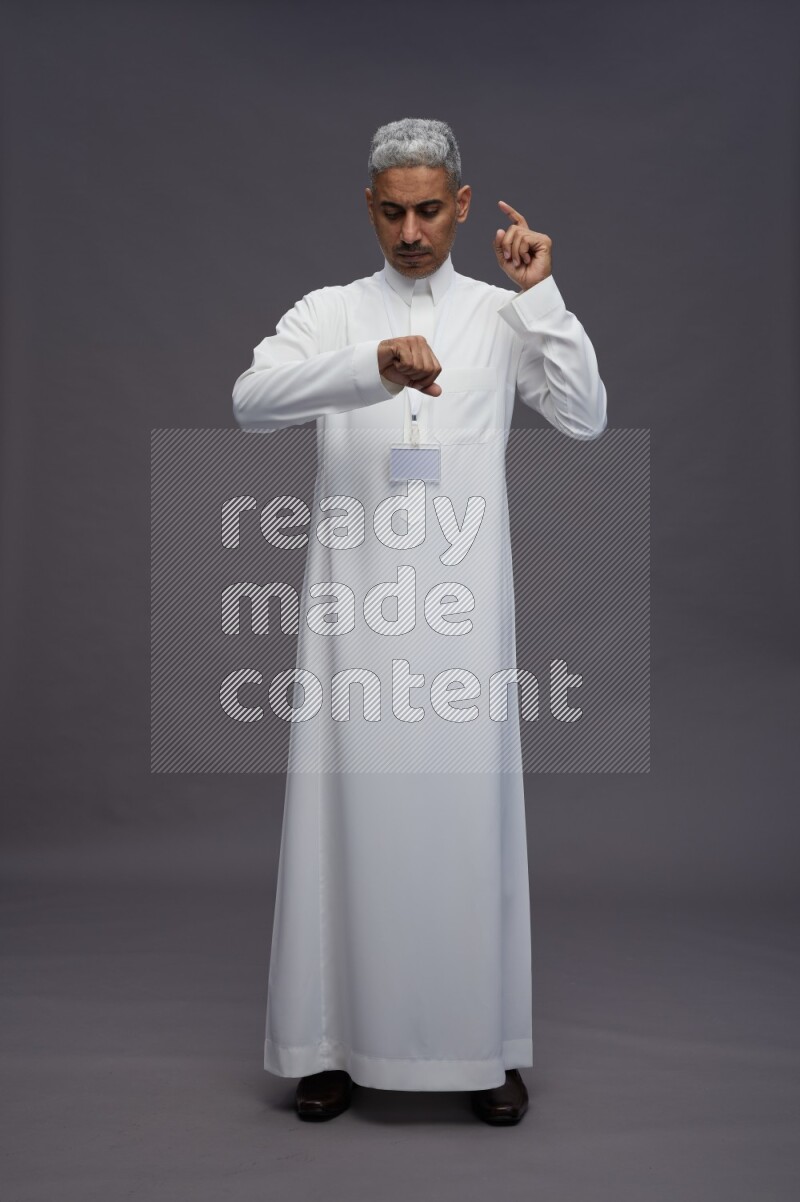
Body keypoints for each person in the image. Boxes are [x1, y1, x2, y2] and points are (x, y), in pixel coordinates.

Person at [232, 117, 607, 1125]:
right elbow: (250, 399)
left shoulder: (497, 315)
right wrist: (370, 370)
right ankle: (329, 1045)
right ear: (368, 206)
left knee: (462, 823)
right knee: (341, 821)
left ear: (463, 205)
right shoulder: (330, 312)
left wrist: (541, 295)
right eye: (392, 210)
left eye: (429, 209)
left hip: (459, 616)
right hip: (353, 611)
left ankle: (480, 1047)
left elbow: (582, 413)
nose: (410, 229)